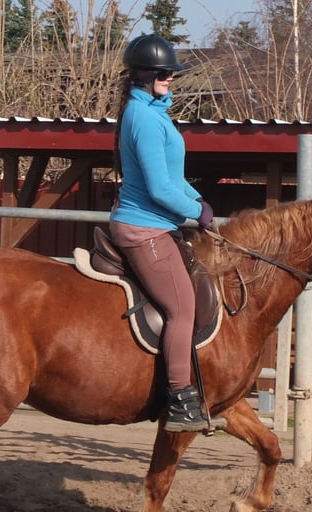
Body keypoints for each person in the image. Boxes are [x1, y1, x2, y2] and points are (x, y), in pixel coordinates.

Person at [109, 34, 215, 432]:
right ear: (147, 75)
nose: (172, 77)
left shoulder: (153, 113)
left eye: (172, 72)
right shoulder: (145, 119)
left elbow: (174, 178)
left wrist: (198, 199)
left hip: (159, 223)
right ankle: (179, 399)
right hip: (144, 229)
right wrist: (194, 212)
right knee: (182, 307)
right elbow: (158, 189)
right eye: (166, 72)